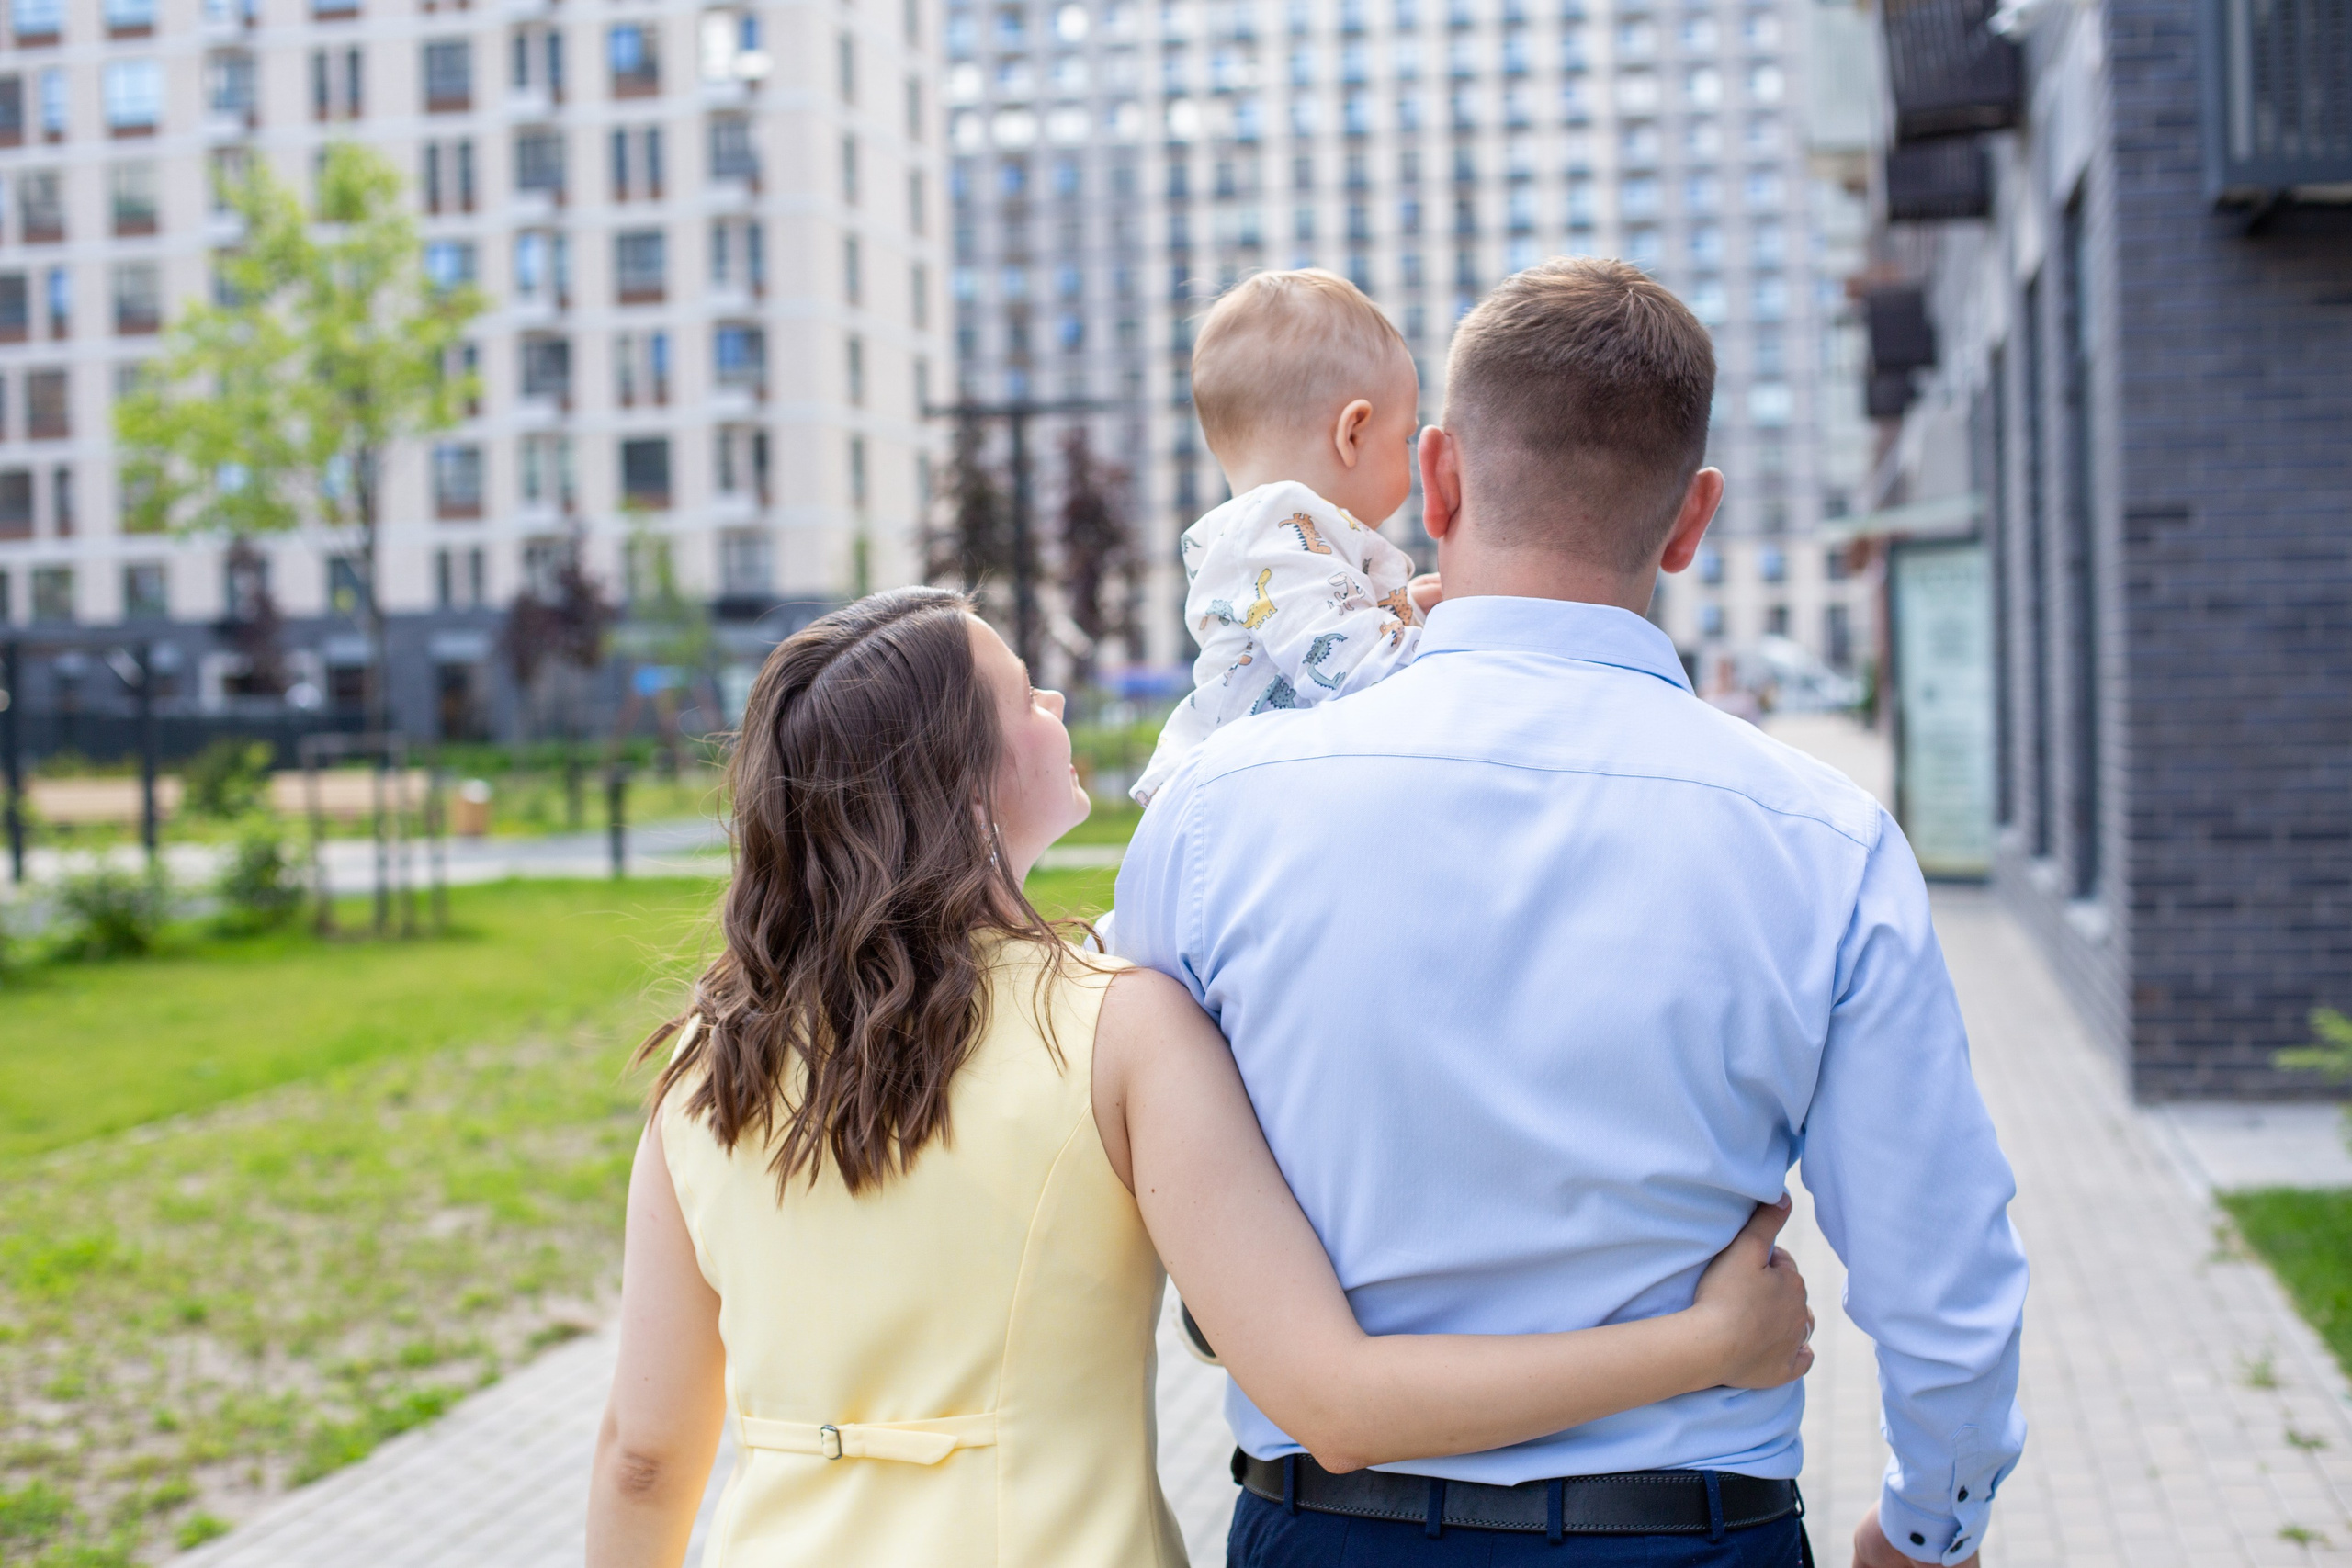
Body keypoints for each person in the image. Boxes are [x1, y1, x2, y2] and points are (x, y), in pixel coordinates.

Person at [583, 589, 1817, 1568]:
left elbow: (644, 1452)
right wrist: (1705, 1339)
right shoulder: (1118, 1029)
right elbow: (1336, 1399)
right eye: (1024, 689)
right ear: (964, 783)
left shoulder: (704, 1065)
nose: (1056, 696)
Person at [1116, 257, 2030, 1568]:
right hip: (1689, 1531)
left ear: (1436, 478)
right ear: (1691, 518)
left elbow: (1136, 1173)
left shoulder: (1208, 817)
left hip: (1325, 1527)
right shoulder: (1825, 843)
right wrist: (1932, 1527)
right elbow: (1943, 1264)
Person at [1131, 269, 1441, 807]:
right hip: (1229, 803)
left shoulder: (1286, 539)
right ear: (1353, 433)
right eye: (1406, 437)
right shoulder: (1277, 530)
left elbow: (1318, 625)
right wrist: (1450, 644)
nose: (1410, 458)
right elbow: (1353, 668)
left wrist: (1404, 607)